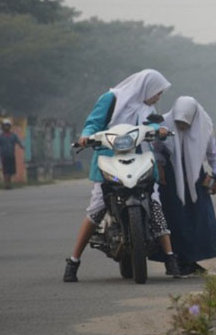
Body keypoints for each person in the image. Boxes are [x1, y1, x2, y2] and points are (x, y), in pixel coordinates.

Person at [63, 69, 181, 282]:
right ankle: (73, 261)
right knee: (97, 208)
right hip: (109, 160)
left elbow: (152, 124)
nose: (158, 97)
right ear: (147, 87)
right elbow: (93, 122)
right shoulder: (111, 98)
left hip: (142, 161)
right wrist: (86, 136)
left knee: (154, 203)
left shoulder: (148, 107)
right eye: (158, 92)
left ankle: (171, 258)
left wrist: (159, 129)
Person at [156, 96, 216, 276]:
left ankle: (190, 260)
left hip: (195, 177)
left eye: (186, 123)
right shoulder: (163, 123)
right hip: (170, 178)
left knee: (196, 219)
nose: (181, 127)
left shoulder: (205, 127)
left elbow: (213, 153)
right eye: (179, 122)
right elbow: (154, 147)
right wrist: (159, 164)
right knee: (173, 218)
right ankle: (175, 260)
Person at [0, 119, 24, 189]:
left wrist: (22, 146)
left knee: (11, 171)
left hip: (11, 155)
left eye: (7, 126)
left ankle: (9, 183)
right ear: (2, 127)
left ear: (10, 126)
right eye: (4, 126)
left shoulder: (13, 135)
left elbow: (19, 141)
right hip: (4, 155)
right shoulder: (0, 136)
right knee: (6, 171)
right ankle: (6, 185)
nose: (6, 127)